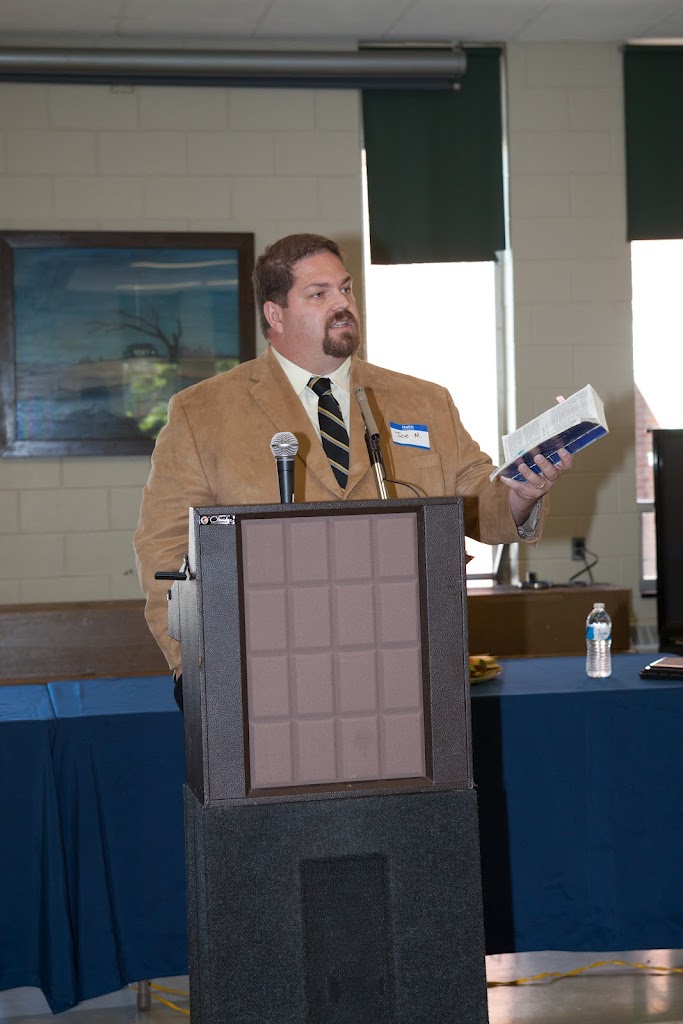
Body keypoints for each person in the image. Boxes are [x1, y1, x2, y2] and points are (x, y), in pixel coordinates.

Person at [134, 233, 572, 705]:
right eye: (318, 294)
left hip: (408, 660)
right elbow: (167, 545)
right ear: (274, 314)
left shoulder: (424, 401)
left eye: (345, 289)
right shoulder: (202, 412)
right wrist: (192, 663)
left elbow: (474, 500)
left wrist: (521, 492)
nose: (342, 304)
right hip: (263, 673)